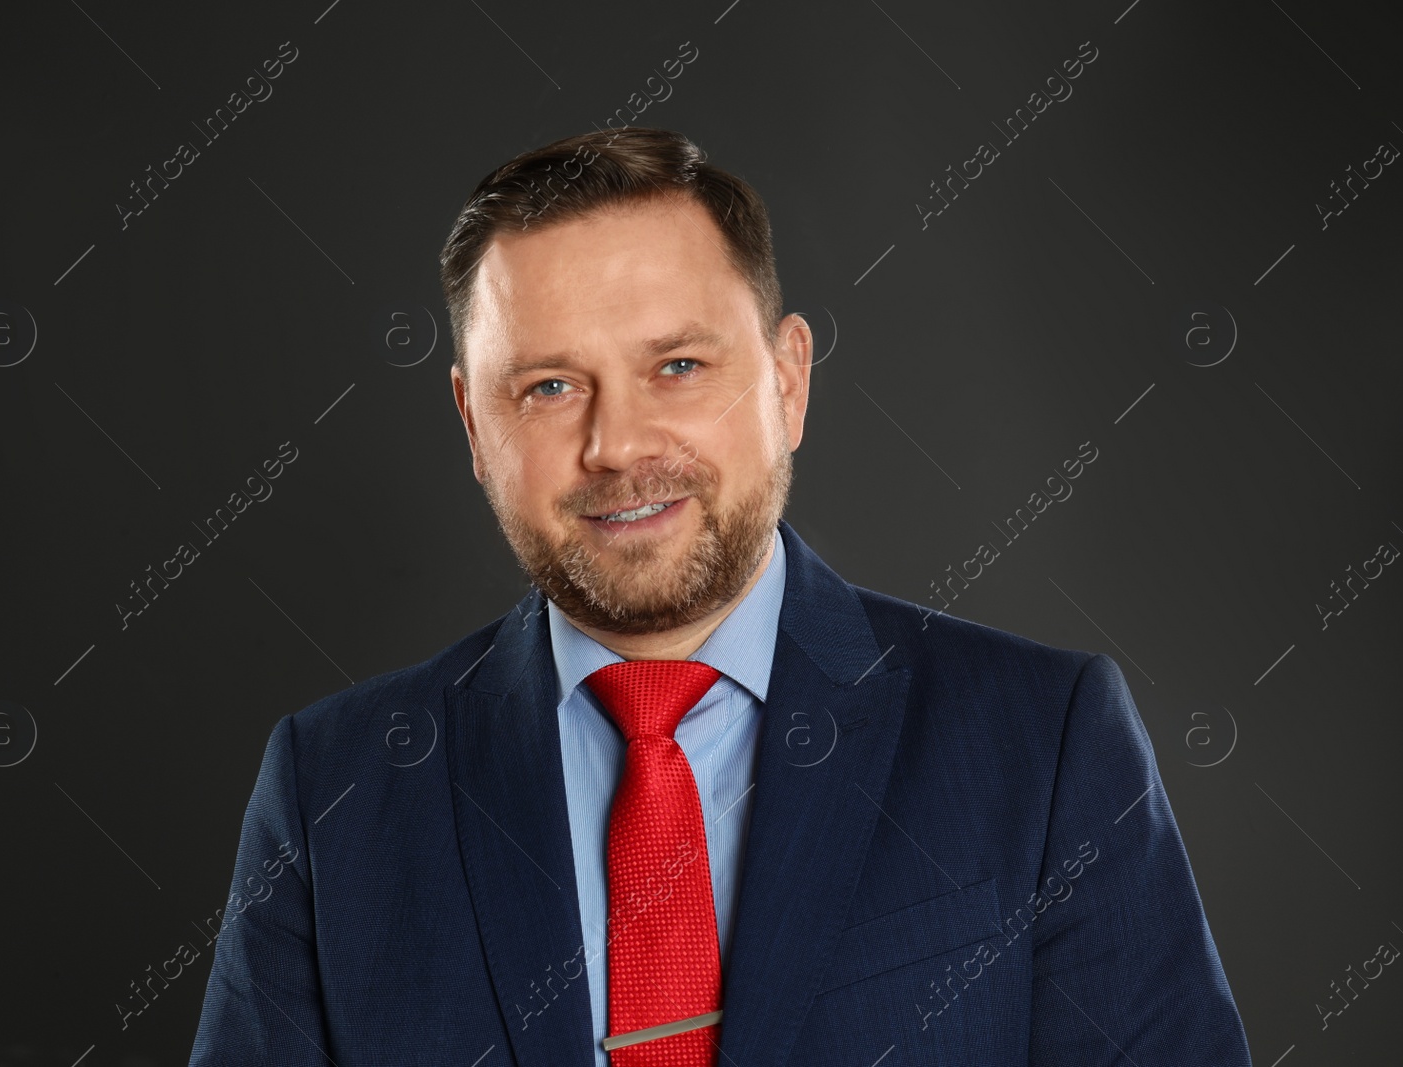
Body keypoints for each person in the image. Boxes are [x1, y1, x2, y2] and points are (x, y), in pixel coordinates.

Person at [187, 127, 1251, 1066]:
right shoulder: (333, 791)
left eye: (679, 365)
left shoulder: (1040, 740)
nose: (615, 445)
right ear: (474, 425)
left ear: (787, 380)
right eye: (548, 386)